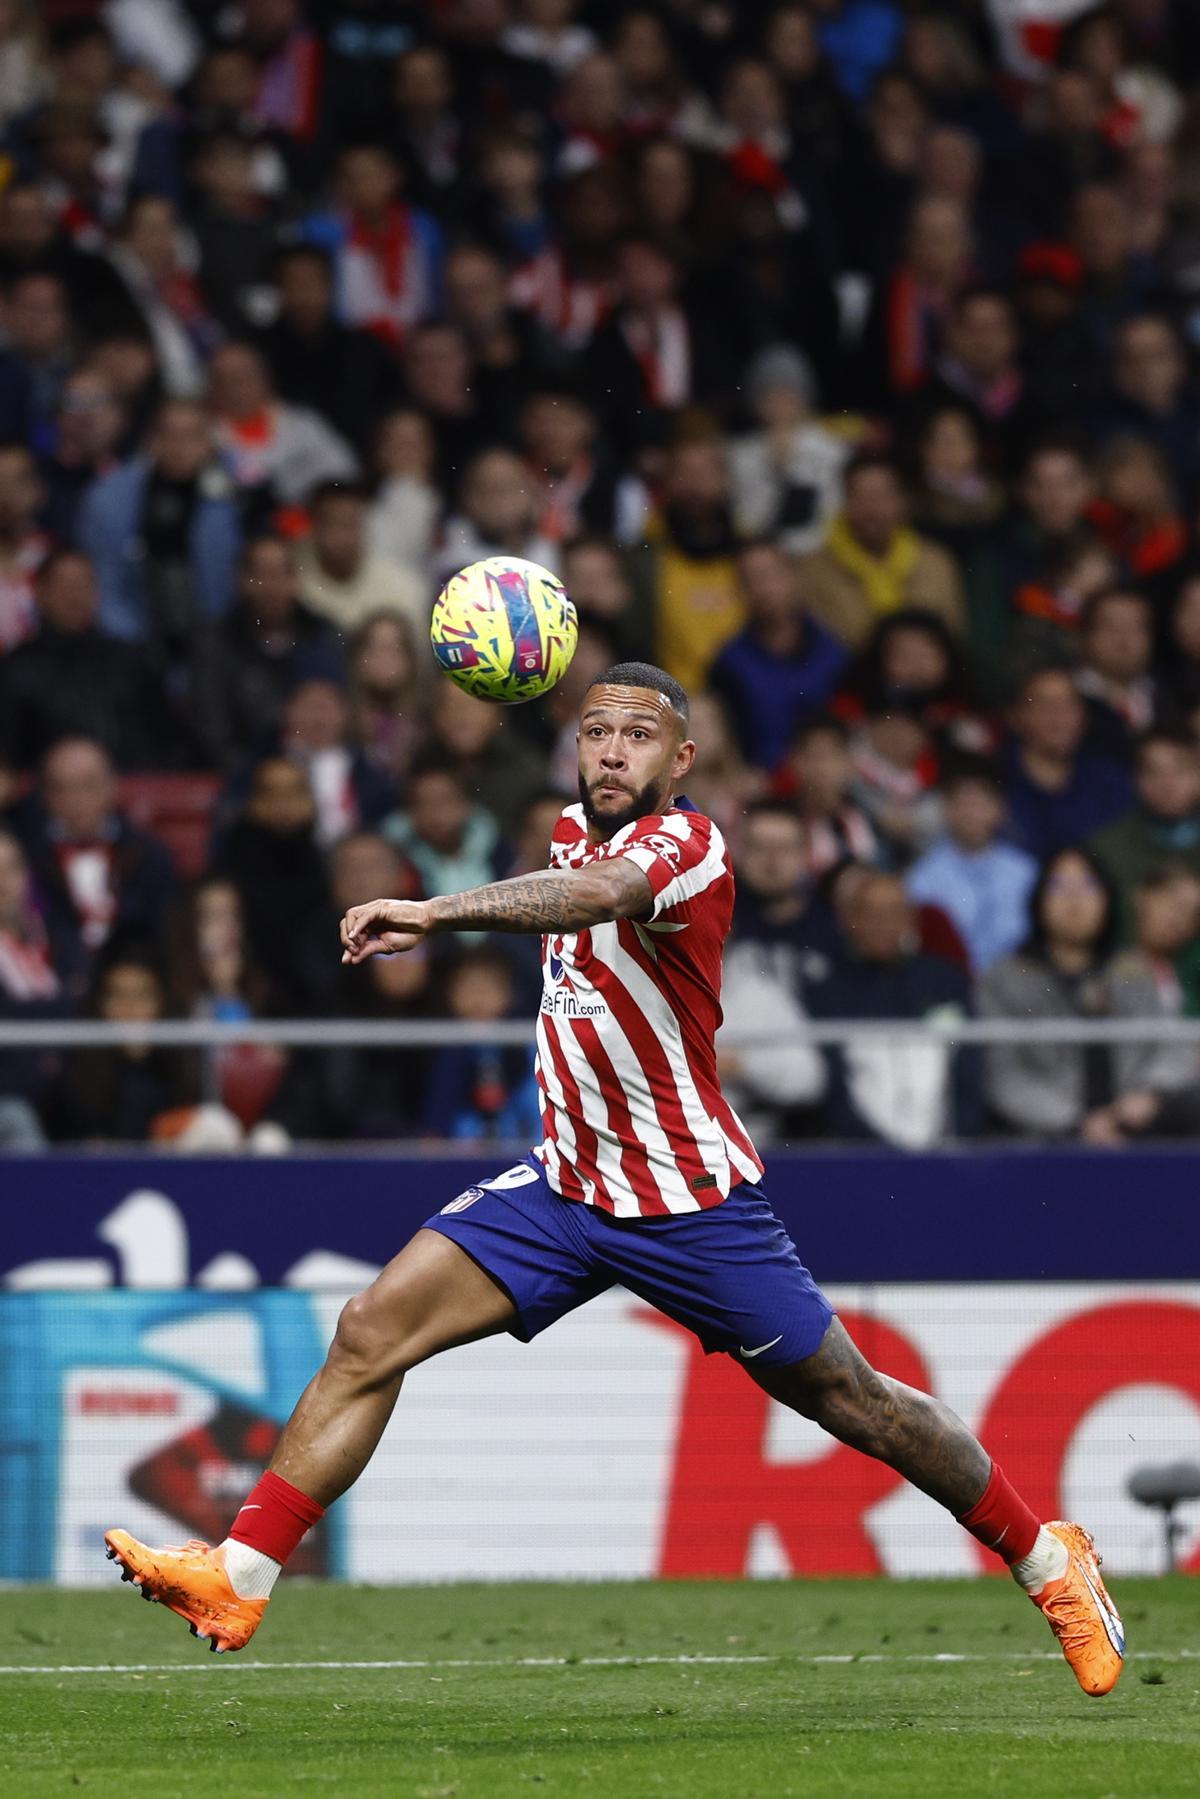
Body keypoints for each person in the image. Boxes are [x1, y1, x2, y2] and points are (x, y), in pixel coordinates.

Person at [108, 660, 1125, 1703]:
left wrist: (434, 909)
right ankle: (239, 1575)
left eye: (637, 734)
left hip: (690, 1201)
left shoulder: (689, 844)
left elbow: (598, 895)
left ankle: (1050, 1560)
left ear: (681, 758)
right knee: (370, 1328)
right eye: (595, 730)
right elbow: (575, 885)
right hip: (563, 1186)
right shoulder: (563, 831)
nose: (609, 749)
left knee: (859, 1403)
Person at [978, 846, 1200, 1147]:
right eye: (1059, 886)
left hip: (1130, 1123)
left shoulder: (1132, 970)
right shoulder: (1004, 978)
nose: (1075, 899)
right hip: (1050, 1132)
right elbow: (1003, 1077)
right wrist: (1075, 1122)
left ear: (1107, 899)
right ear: (1039, 898)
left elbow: (1170, 1047)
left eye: (1088, 886)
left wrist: (1150, 1092)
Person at [804, 867, 978, 1147]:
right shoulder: (828, 989)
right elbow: (832, 1082)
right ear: (852, 920)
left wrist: (957, 1140)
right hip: (862, 1156)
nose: (884, 923)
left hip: (944, 1150)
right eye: (872, 914)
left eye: (895, 912)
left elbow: (968, 1068)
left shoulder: (945, 980)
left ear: (912, 919)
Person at [0, 549, 167, 771]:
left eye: (83, 585)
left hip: (134, 794)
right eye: (64, 586)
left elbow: (162, 741)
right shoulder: (16, 671)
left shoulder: (131, 662)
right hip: (49, 798)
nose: (74, 596)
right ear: (40, 593)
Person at [797, 450, 966, 651]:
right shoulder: (812, 571)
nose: (871, 509)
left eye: (881, 496)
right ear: (844, 504)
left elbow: (953, 637)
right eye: (860, 496)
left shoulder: (936, 563)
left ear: (901, 502)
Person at [709, 541, 848, 771]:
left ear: (794, 576)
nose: (763, 588)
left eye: (770, 575)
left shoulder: (835, 653)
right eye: (749, 580)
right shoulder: (728, 664)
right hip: (761, 789)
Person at [905, 758, 1038, 972]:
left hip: (1021, 983)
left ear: (1000, 810)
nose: (971, 814)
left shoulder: (1025, 870)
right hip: (953, 980)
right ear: (945, 810)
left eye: (980, 804)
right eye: (962, 803)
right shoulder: (922, 876)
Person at [1001, 665, 1131, 861]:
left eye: (1068, 704)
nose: (1058, 717)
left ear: (1084, 716)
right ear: (1016, 716)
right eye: (1044, 705)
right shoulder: (996, 780)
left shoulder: (1110, 780)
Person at [1087, 729, 1200, 935]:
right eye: (1153, 771)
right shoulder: (1107, 848)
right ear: (1136, 780)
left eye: (1180, 769)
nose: (1167, 783)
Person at [295, 481, 427, 641]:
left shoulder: (403, 588)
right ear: (314, 528)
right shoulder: (293, 583)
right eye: (333, 524)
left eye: (351, 524)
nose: (343, 537)